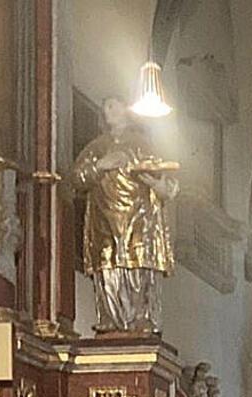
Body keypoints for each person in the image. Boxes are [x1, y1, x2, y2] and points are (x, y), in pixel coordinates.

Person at [70, 96, 178, 333]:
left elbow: (168, 184)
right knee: (108, 266)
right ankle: (110, 318)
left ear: (127, 110)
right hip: (104, 218)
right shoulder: (97, 147)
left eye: (114, 105)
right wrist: (101, 165)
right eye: (105, 106)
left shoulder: (143, 144)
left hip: (138, 219)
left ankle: (141, 318)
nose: (109, 110)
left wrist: (154, 182)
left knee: (137, 266)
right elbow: (76, 178)